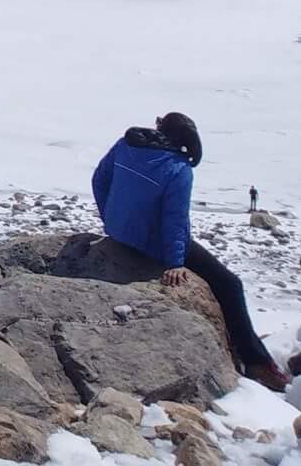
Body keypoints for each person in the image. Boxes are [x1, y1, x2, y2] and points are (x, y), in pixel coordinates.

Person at [92, 113, 289, 389]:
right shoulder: (178, 168)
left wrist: (111, 220)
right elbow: (174, 220)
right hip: (154, 245)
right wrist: (175, 262)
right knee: (230, 285)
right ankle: (257, 362)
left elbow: (99, 180)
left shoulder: (126, 145)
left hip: (119, 234)